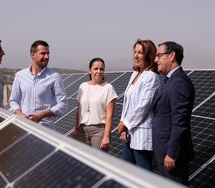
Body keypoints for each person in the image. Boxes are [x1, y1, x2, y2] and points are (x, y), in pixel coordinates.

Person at [152, 41, 195, 185]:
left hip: (171, 154)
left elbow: (180, 122)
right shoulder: (169, 81)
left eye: (159, 55)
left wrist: (171, 153)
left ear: (172, 56)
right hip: (163, 149)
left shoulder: (180, 83)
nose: (155, 59)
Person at [117, 39, 160, 171]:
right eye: (135, 52)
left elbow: (143, 106)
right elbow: (127, 102)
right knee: (125, 171)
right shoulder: (135, 74)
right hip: (129, 132)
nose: (135, 55)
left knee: (143, 172)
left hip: (142, 133)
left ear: (148, 55)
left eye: (140, 52)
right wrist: (123, 123)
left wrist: (125, 124)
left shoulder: (151, 77)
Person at [9, 40, 68, 129]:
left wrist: (41, 115)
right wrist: (19, 113)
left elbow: (63, 104)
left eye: (48, 53)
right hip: (24, 126)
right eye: (43, 53)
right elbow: (13, 100)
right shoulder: (20, 76)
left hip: (46, 128)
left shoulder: (54, 77)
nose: (47, 57)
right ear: (33, 54)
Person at [72, 57, 117, 151]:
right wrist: (76, 129)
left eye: (102, 69)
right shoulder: (83, 86)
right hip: (82, 130)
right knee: (83, 161)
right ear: (90, 70)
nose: (99, 71)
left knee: (98, 161)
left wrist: (106, 136)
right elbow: (79, 111)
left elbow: (110, 115)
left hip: (99, 131)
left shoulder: (108, 88)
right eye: (96, 68)